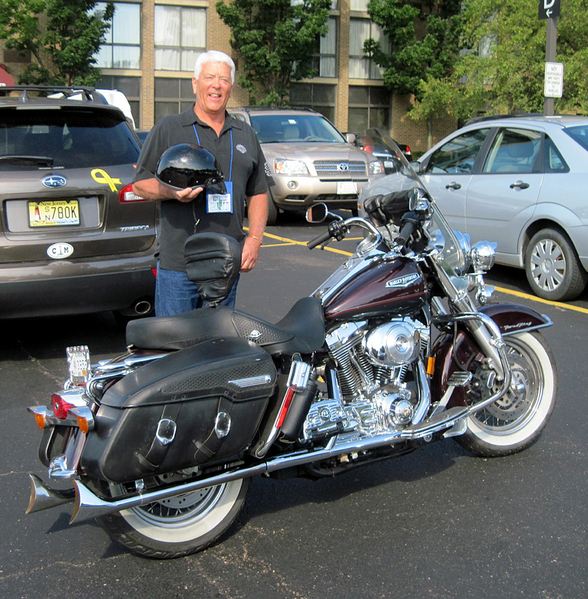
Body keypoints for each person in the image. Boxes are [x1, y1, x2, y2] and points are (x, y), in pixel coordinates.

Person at [132, 50, 269, 316]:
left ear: (231, 87)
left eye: (224, 79)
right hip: (178, 265)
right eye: (209, 77)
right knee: (175, 346)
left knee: (217, 344)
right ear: (195, 83)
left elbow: (258, 192)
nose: (216, 85)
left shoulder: (245, 134)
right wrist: (169, 191)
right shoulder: (170, 128)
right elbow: (139, 183)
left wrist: (254, 239)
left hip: (226, 263)